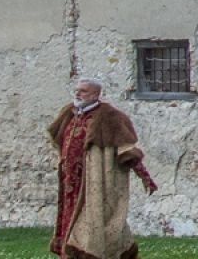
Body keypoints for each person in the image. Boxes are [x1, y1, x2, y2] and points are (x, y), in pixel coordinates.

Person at [48, 78, 157, 259]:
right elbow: (59, 139)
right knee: (69, 222)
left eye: (83, 91)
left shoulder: (110, 117)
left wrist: (145, 177)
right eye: (77, 90)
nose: (78, 94)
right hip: (70, 183)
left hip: (96, 184)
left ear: (96, 94)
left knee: (96, 226)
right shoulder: (69, 113)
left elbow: (127, 150)